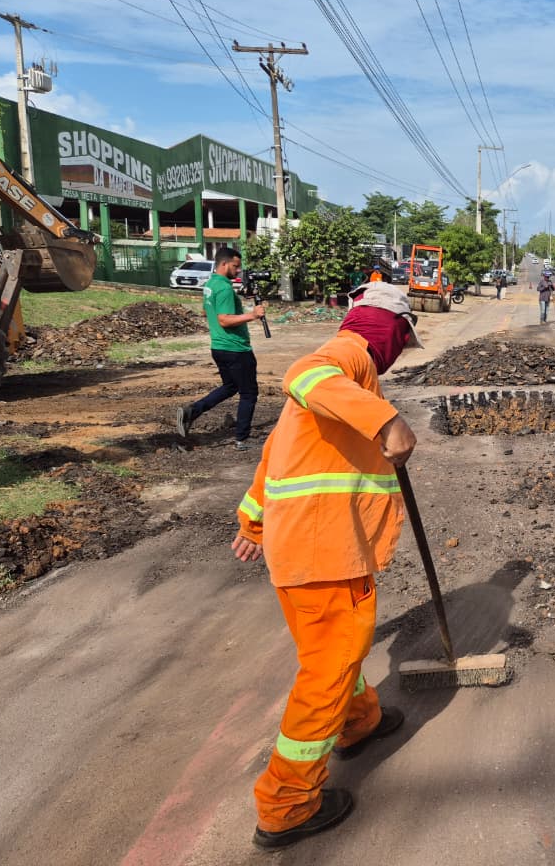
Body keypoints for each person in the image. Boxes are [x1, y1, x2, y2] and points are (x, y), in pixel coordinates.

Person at [229, 280, 422, 850]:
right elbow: (303, 374)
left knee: (333, 654)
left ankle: (359, 721)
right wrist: (385, 420)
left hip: (301, 550)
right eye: (403, 339)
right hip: (325, 551)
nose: (399, 350)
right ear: (391, 330)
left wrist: (253, 521)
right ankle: (286, 804)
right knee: (327, 669)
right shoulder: (349, 356)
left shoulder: (345, 378)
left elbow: (279, 455)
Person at [176, 247, 265, 450]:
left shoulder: (211, 284)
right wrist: (252, 315)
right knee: (249, 393)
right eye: (235, 266)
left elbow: (208, 312)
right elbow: (224, 319)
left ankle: (192, 412)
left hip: (218, 347)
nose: (238, 270)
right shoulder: (224, 288)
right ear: (224, 264)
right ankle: (242, 439)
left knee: (230, 386)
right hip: (236, 349)